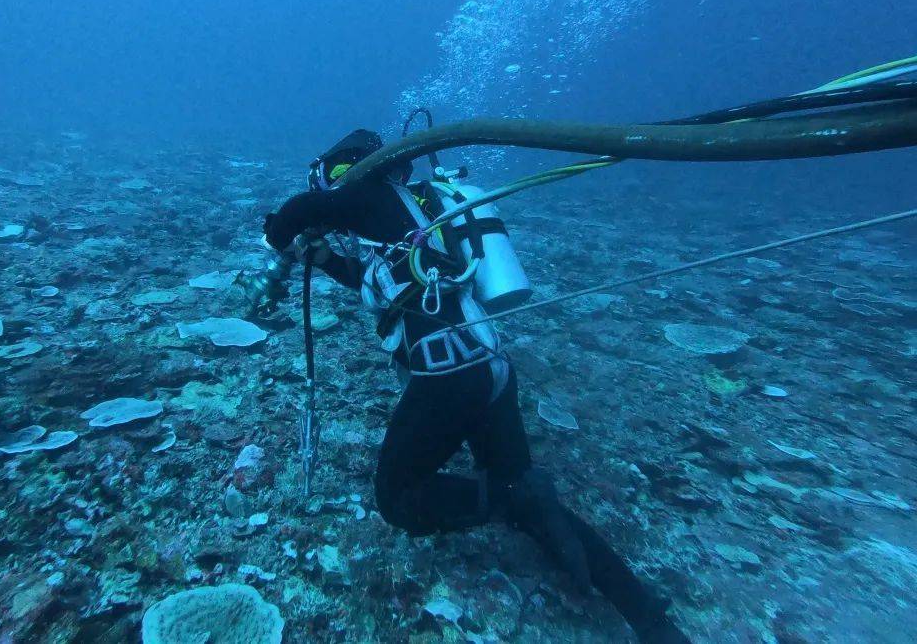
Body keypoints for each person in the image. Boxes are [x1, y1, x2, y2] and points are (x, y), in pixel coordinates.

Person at [261, 129, 690, 643]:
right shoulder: (416, 210)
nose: (333, 189)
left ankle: (515, 506)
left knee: (398, 497)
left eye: (333, 176)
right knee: (520, 485)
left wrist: (276, 236)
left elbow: (300, 210)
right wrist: (329, 261)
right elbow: (384, 278)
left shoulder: (365, 193)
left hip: (449, 374)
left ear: (348, 169)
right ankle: (647, 616)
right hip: (489, 365)